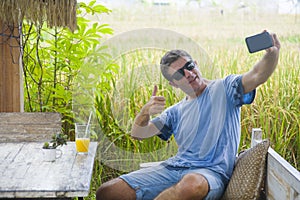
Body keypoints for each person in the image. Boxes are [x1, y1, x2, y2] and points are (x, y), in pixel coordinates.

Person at [96, 31, 280, 200]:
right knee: (108, 191)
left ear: (196, 65)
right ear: (173, 84)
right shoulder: (176, 111)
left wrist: (271, 54)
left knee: (190, 185)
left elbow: (257, 75)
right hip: (174, 169)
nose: (189, 74)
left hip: (210, 174)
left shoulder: (225, 89)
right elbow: (139, 133)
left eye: (189, 66)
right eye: (179, 74)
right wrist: (145, 111)